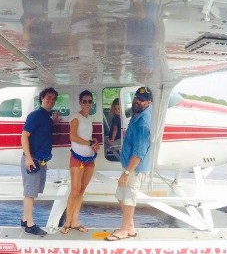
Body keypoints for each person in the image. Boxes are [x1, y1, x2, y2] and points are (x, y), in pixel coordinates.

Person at [106, 86, 153, 241]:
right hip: (129, 167)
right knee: (120, 195)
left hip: (135, 169)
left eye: (142, 100)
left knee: (128, 198)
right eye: (136, 98)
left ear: (149, 103)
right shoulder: (137, 115)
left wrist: (126, 173)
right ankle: (130, 227)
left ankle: (124, 231)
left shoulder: (143, 123)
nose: (137, 101)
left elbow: (139, 154)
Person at [21, 86, 60, 236]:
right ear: (42, 98)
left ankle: (25, 219)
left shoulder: (46, 117)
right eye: (47, 97)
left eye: (53, 99)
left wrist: (53, 122)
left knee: (33, 191)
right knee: (30, 193)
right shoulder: (36, 115)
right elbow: (24, 136)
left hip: (41, 159)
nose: (50, 100)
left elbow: (43, 131)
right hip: (33, 159)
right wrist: (29, 158)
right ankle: (30, 225)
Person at [62, 90, 100, 234]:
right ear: (80, 102)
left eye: (90, 101)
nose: (87, 104)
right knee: (75, 190)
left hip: (90, 158)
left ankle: (75, 221)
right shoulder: (75, 117)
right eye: (84, 101)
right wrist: (90, 142)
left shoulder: (89, 118)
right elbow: (73, 137)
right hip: (77, 158)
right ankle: (67, 222)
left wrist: (94, 142)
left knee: (82, 190)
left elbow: (88, 137)